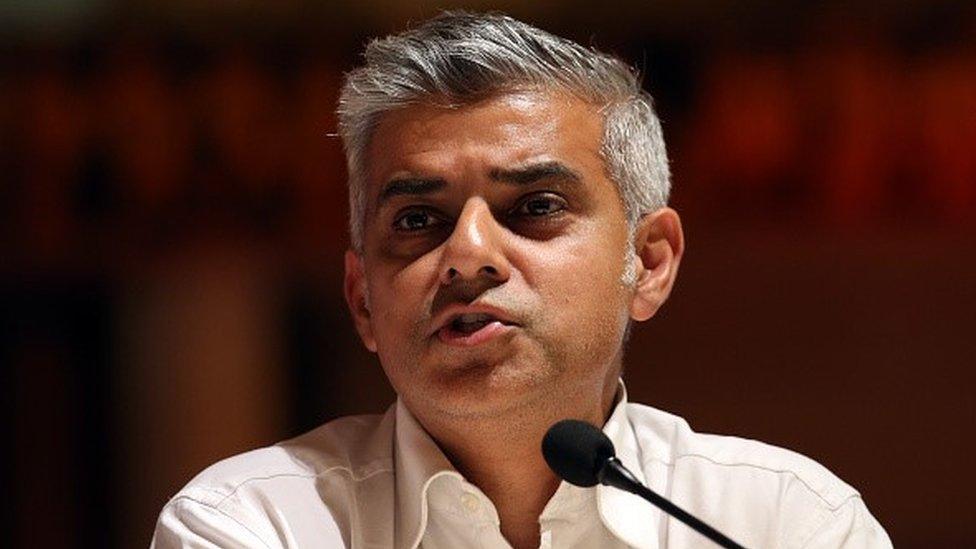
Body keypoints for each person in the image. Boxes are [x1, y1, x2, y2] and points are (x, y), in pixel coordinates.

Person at [151, 11, 891, 549]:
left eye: (535, 207)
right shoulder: (254, 522)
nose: (468, 254)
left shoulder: (785, 524)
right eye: (416, 219)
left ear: (651, 261)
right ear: (362, 299)